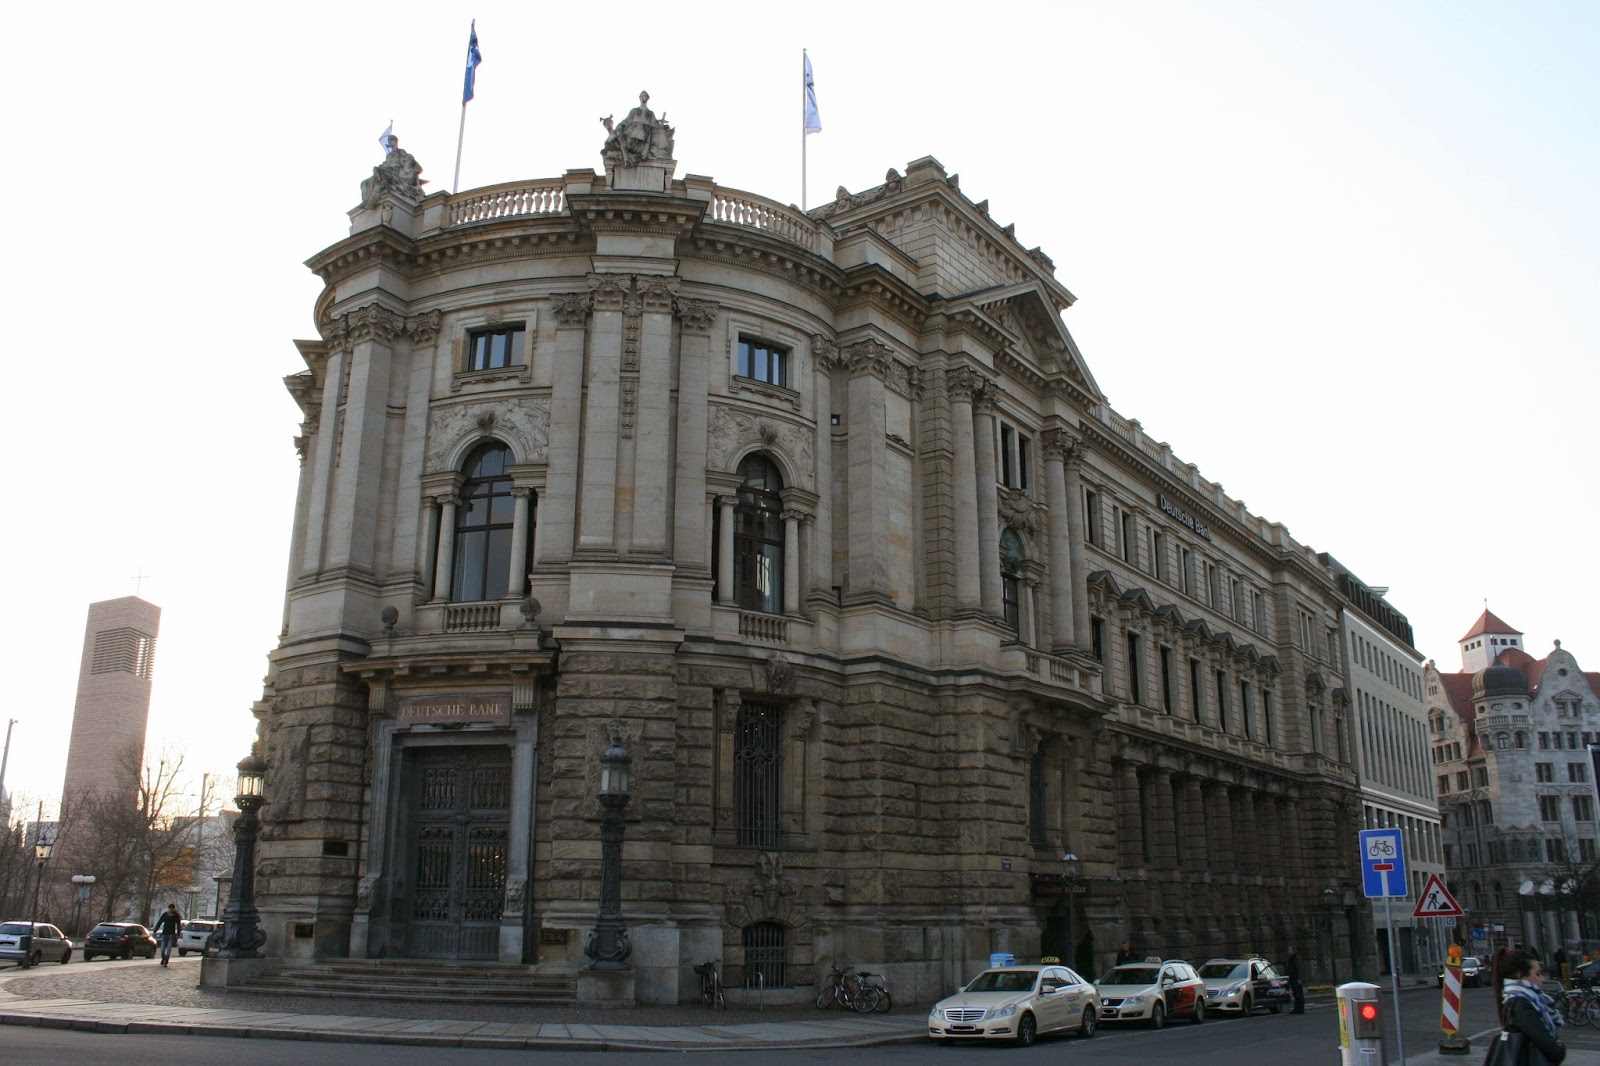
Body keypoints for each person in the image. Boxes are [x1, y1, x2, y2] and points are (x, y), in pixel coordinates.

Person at [1498, 948, 1566, 1064]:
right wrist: (1560, 1050)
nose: (1542, 979)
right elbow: (1544, 1041)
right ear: (1521, 976)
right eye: (1537, 974)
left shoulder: (1526, 999)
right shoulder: (1521, 1002)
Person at [153, 903, 182, 968]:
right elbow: (159, 922)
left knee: (168, 949)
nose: (171, 910)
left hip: (171, 934)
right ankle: (163, 958)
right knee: (162, 949)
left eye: (172, 908)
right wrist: (155, 930)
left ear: (174, 909)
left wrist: (178, 934)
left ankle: (166, 960)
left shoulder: (176, 915)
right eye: (170, 908)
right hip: (164, 934)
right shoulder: (165, 915)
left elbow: (178, 925)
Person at [1284, 946, 1305, 1014]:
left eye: (1289, 950)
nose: (1288, 952)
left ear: (1293, 951)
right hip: (1293, 978)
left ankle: (1300, 1009)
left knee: (1299, 994)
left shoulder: (1296, 959)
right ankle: (1297, 1009)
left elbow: (1299, 969)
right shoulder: (1291, 958)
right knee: (1295, 994)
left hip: (1296, 978)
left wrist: (1299, 978)